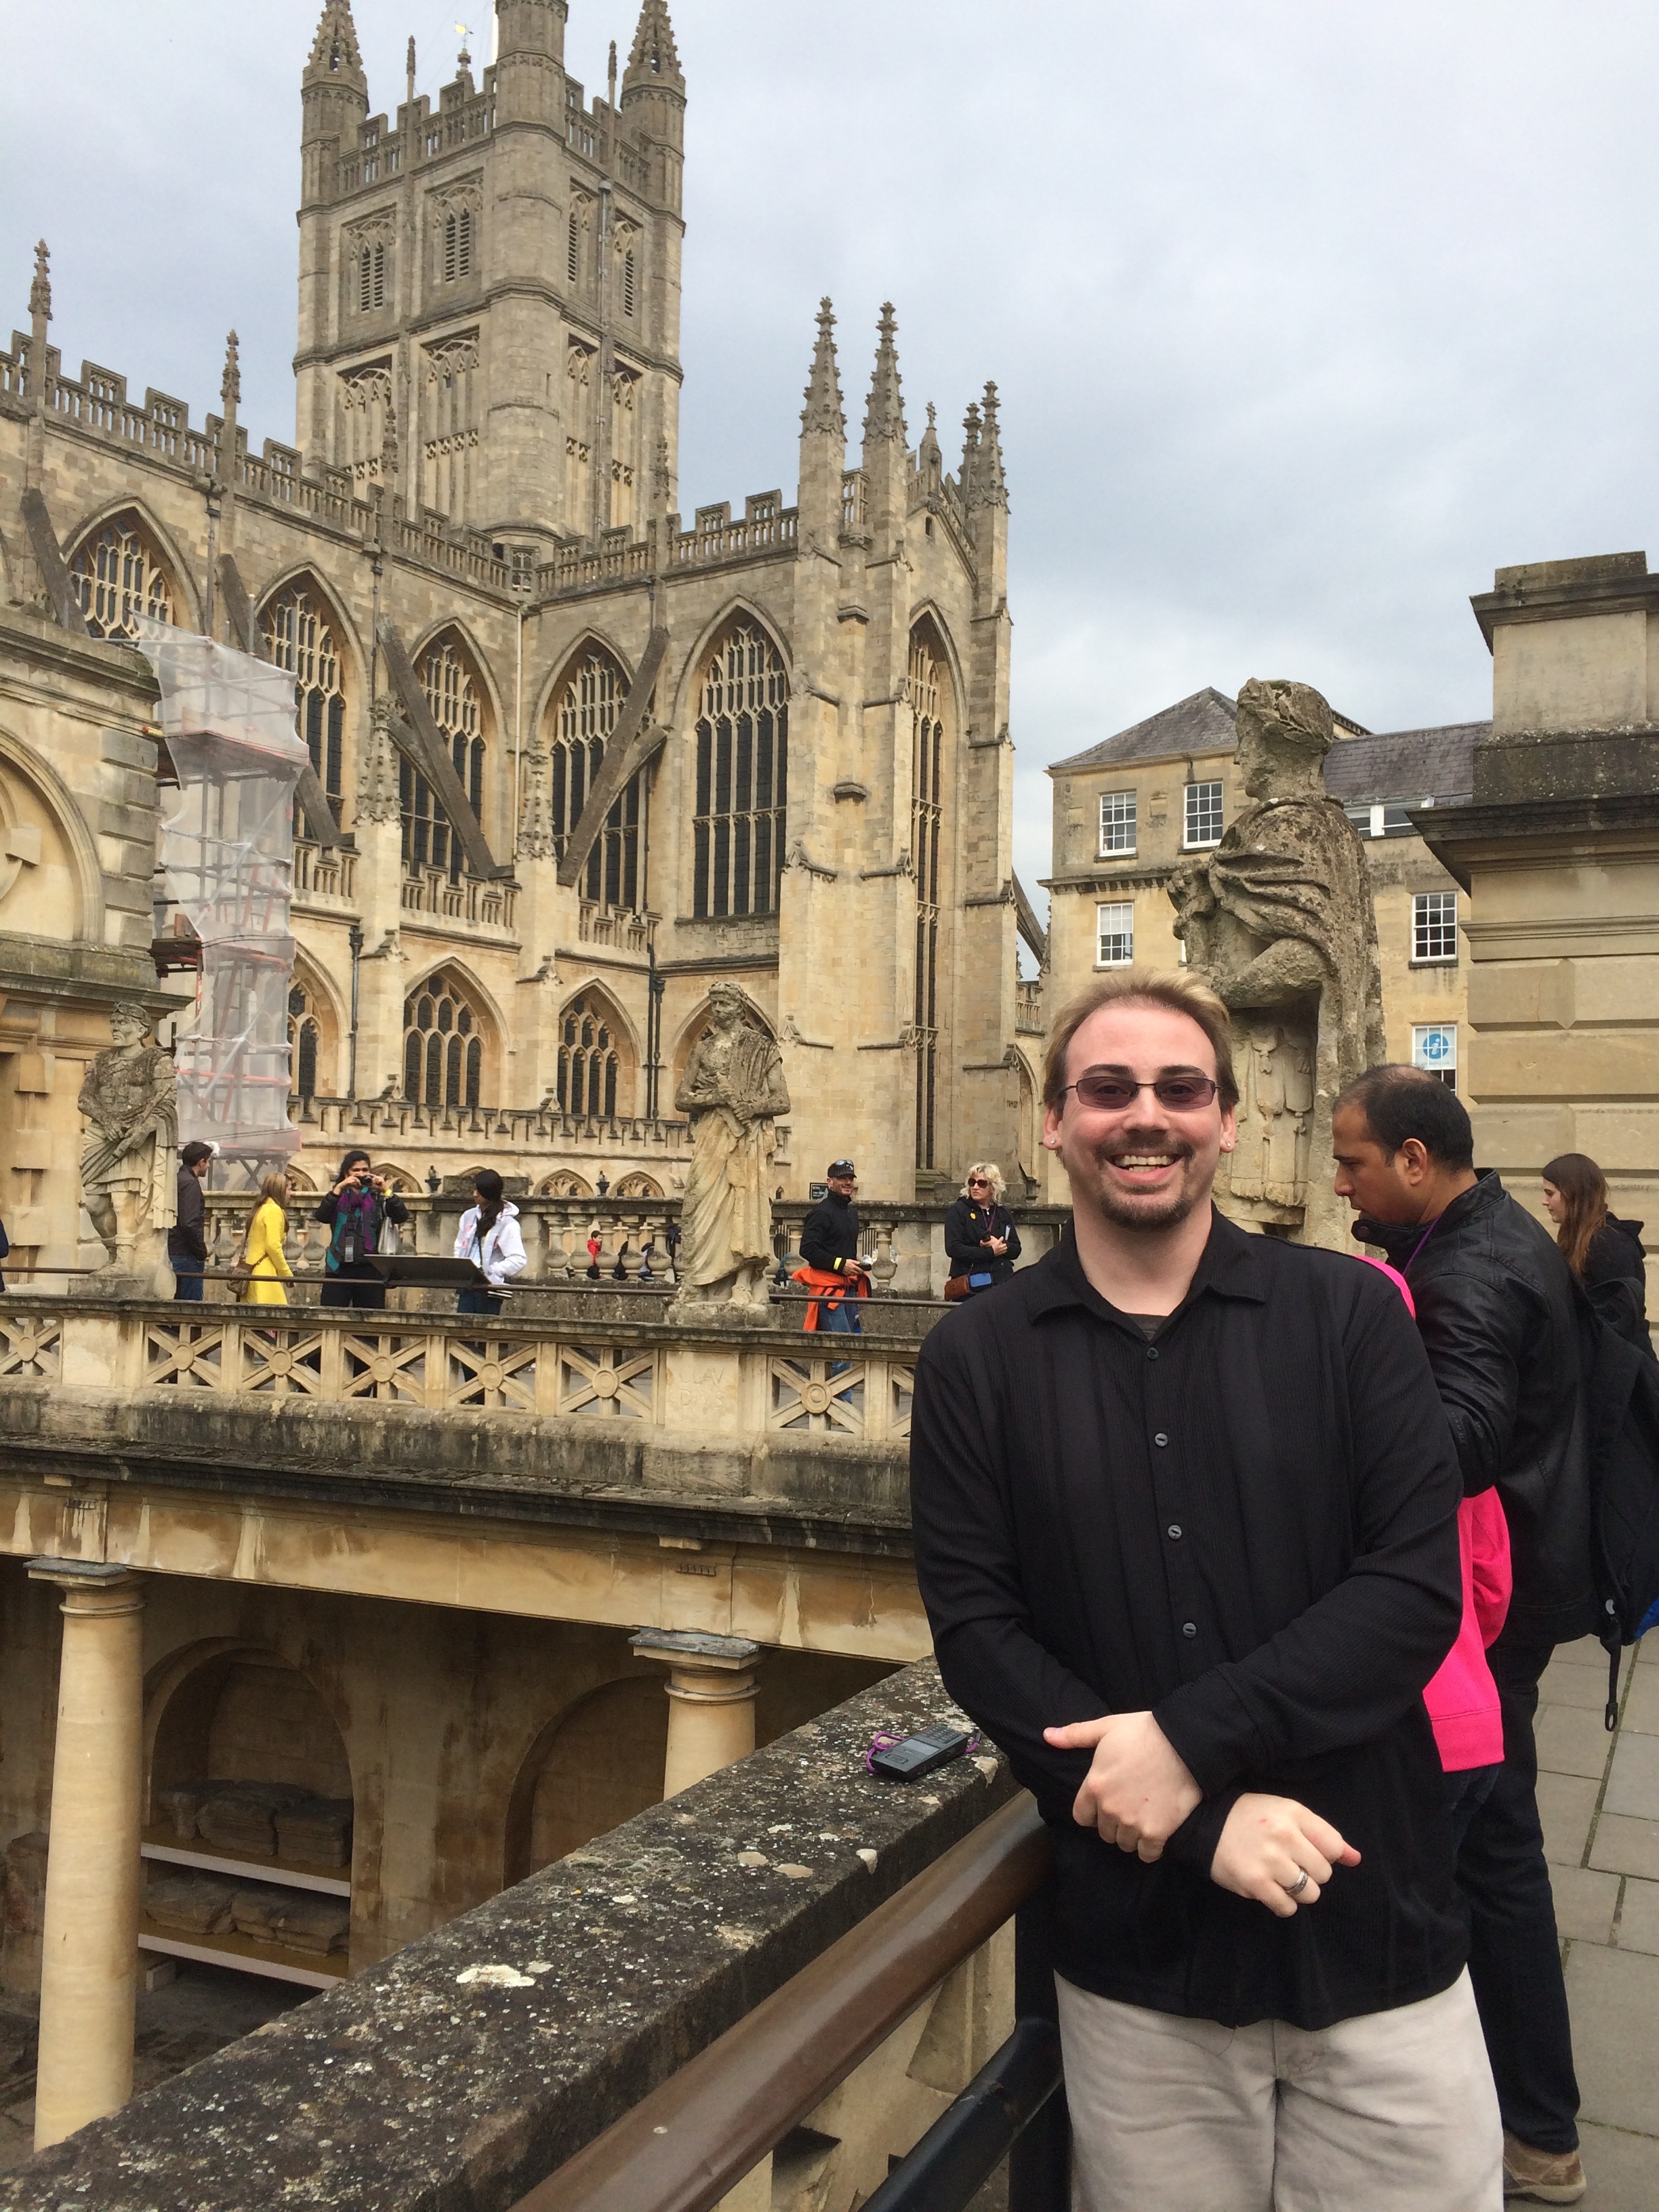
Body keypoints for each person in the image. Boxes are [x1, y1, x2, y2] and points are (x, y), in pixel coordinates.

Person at [912, 969, 1497, 2212]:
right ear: (1052, 1122)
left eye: (1179, 1088)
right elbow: (980, 1636)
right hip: (1140, 1969)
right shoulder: (975, 1356)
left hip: (1373, 1931)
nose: (1145, 1114)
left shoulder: (1348, 1313)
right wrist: (1196, 1821)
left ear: (1227, 1118)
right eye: (1107, 1087)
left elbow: (1406, 1592)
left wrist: (1188, 1740)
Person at [1332, 1067, 1591, 2206]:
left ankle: (1497, 2128)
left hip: (1487, 1611)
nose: (1338, 1177)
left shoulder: (1472, 1264)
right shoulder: (1482, 1234)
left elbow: (1455, 1441)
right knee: (1502, 1859)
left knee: (1458, 1864)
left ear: (1414, 1161)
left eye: (1351, 1161)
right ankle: (1536, 2127)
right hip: (1519, 1593)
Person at [1542, 1151, 1651, 1349]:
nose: (1545, 1202)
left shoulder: (1608, 1243)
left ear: (1572, 1194)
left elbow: (1618, 1322)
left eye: (1550, 1194)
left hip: (1620, 1371)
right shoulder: (1581, 1240)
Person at [314, 1149, 409, 1310]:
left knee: (369, 1321)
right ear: (346, 1173)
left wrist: (385, 1190)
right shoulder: (338, 1195)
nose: (360, 1174)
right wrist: (339, 1188)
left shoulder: (377, 1197)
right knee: (331, 1316)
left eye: (365, 1170)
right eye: (355, 1170)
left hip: (370, 1267)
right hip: (338, 1266)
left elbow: (401, 1216)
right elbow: (322, 1216)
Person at [797, 1160, 867, 1336]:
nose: (848, 1182)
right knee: (842, 1351)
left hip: (848, 1289)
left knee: (853, 1347)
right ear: (830, 1182)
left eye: (850, 1178)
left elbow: (843, 1248)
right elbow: (807, 1249)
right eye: (842, 1178)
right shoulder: (821, 1212)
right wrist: (840, 1264)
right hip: (829, 1292)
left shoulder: (851, 1213)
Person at [453, 1170, 526, 1316]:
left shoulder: (507, 1223)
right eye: (474, 1190)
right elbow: (460, 1245)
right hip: (467, 1283)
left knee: (483, 1333)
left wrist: (492, 1271)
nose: (475, 1194)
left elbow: (518, 1258)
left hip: (489, 1288)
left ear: (489, 1192)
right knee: (462, 1331)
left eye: (479, 1191)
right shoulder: (469, 1216)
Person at [943, 1162, 1022, 1295]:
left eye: (982, 1184)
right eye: (972, 1182)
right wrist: (990, 1251)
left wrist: (1002, 1246)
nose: (975, 1187)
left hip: (1001, 1282)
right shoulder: (958, 1210)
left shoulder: (1003, 1212)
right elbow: (953, 1248)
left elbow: (1017, 1249)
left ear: (992, 1187)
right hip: (971, 1285)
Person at [168, 1141, 214, 1300]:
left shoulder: (179, 1178)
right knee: (190, 1309)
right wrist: (201, 1251)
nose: (208, 1166)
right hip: (185, 1254)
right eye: (208, 1161)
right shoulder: (190, 1183)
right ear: (201, 1162)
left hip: (174, 1249)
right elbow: (189, 1223)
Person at [241, 1172, 294, 1307]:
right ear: (280, 1190)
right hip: (265, 1271)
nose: (291, 1193)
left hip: (252, 1269)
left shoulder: (261, 1208)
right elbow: (273, 1246)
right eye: (289, 1189)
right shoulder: (273, 1210)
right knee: (271, 1320)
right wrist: (286, 1273)